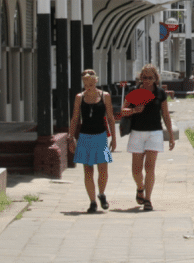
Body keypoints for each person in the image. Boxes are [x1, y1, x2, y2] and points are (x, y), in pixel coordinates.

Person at [122, 64, 175, 211]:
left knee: (150, 168)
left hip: (154, 133)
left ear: (155, 78)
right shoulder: (134, 91)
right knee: (136, 170)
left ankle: (148, 199)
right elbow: (123, 111)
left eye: (150, 78)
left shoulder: (160, 93)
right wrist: (134, 110)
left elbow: (166, 115)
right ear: (141, 77)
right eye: (144, 77)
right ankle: (140, 188)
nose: (147, 80)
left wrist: (171, 136)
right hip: (137, 132)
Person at [68, 70, 117, 213]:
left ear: (96, 81)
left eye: (90, 84)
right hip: (85, 137)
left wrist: (114, 138)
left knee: (103, 170)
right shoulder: (79, 97)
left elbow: (110, 118)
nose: (88, 87)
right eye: (85, 84)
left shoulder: (104, 96)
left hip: (101, 136)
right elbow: (75, 118)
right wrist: (71, 138)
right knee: (88, 171)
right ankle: (92, 202)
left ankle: (101, 194)